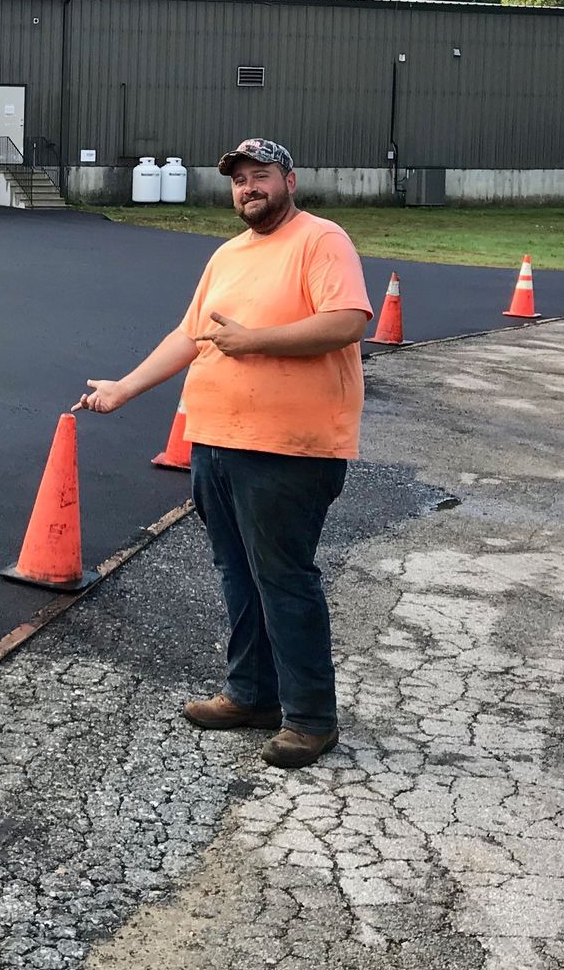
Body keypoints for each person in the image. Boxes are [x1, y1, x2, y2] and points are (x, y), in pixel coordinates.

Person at [80, 138, 370, 768]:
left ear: (289, 180)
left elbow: (348, 320)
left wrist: (257, 341)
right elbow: (192, 335)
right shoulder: (228, 255)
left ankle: (311, 718)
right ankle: (251, 695)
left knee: (283, 577)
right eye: (239, 180)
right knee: (237, 573)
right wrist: (125, 388)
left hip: (289, 448)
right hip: (216, 441)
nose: (248, 189)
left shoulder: (321, 240)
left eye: (260, 176)